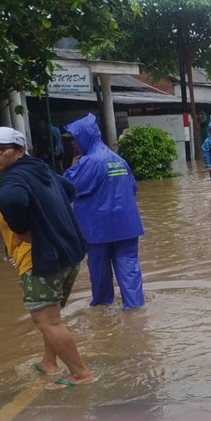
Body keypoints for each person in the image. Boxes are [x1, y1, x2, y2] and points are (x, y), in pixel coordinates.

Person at [0, 127, 94, 390]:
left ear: (19, 150)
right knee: (52, 316)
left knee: (46, 321)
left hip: (40, 259)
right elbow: (69, 188)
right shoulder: (40, 169)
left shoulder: (12, 179)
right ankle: (49, 362)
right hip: (69, 254)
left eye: (0, 150)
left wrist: (23, 227)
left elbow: (11, 200)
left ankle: (80, 374)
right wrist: (50, 219)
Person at [63, 113, 145, 309]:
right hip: (127, 225)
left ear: (84, 136)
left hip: (98, 229)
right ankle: (135, 309)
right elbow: (132, 188)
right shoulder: (118, 159)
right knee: (129, 268)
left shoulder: (89, 162)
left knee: (99, 271)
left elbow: (67, 188)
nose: (73, 144)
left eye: (74, 139)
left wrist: (72, 167)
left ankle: (102, 309)